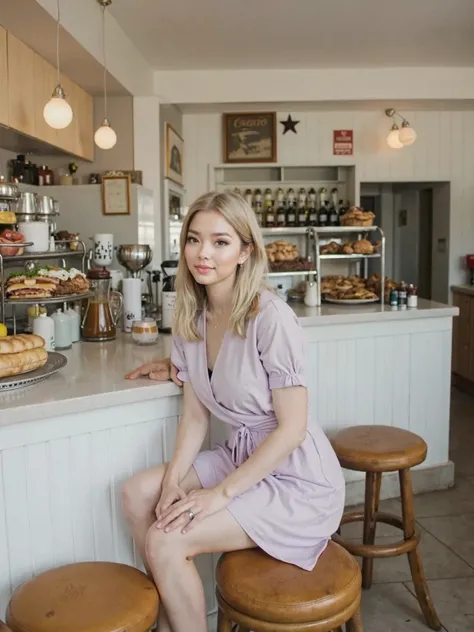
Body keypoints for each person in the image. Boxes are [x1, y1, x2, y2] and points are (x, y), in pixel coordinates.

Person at [122, 191, 345, 632]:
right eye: (193, 239)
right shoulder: (191, 317)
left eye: (221, 242)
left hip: (296, 478)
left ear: (246, 251)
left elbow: (293, 430)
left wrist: (219, 493)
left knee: (165, 540)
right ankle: (174, 618)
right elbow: (196, 417)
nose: (203, 253)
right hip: (241, 454)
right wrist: (172, 484)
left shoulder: (271, 317)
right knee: (137, 493)